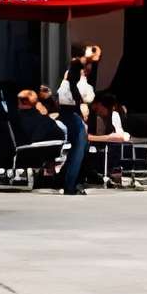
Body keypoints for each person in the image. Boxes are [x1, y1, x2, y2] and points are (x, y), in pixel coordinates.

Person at [56, 45, 97, 196]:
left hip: (66, 115)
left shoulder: (66, 81)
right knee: (78, 151)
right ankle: (70, 185)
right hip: (73, 116)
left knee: (82, 148)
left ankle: (69, 180)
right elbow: (89, 97)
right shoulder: (79, 81)